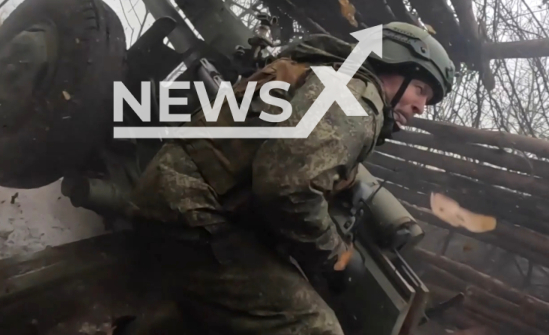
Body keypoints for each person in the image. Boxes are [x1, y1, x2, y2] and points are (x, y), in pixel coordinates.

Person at [126, 22, 456, 335]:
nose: (421, 107)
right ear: (392, 66)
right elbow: (288, 187)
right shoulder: (359, 100)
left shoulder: (328, 73)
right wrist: (336, 257)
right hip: (193, 211)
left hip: (178, 192)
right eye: (420, 89)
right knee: (315, 327)